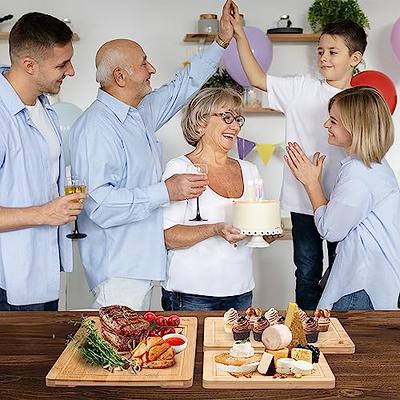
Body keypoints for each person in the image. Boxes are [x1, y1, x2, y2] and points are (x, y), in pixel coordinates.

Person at [70, 1, 235, 311]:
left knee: (137, 357)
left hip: (139, 268)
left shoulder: (138, 114)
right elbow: (100, 205)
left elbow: (181, 86)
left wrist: (221, 41)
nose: (152, 69)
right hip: (119, 273)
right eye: (144, 63)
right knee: (117, 357)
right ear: (120, 76)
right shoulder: (96, 128)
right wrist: (166, 191)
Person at [231, 3, 367, 309]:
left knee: (341, 273)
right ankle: (307, 335)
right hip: (302, 202)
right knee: (306, 272)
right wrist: (240, 34)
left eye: (333, 52)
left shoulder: (360, 102)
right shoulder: (300, 89)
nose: (324, 57)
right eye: (320, 51)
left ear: (354, 58)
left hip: (342, 203)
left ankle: (336, 335)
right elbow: (256, 77)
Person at [162, 87, 279, 311]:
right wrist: (215, 229)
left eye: (237, 119)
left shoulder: (249, 170)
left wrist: (268, 233)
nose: (235, 126)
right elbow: (168, 237)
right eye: (226, 117)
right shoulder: (180, 169)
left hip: (240, 292)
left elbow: (254, 232)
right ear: (200, 123)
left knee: (240, 348)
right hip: (191, 296)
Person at [285, 86, 400, 310]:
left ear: (356, 127)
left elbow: (330, 230)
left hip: (361, 286)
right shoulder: (373, 167)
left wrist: (311, 183)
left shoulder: (358, 174)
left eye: (333, 121)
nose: (326, 125)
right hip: (372, 281)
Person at [0, 12, 86, 311]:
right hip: (9, 282)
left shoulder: (44, 108)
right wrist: (45, 213)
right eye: (62, 64)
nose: (71, 71)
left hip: (46, 269)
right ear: (29, 65)